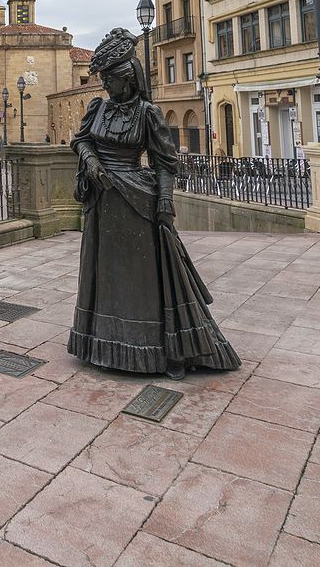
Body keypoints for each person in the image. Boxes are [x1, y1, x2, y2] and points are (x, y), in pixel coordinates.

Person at [68, 28, 240, 378]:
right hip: (103, 203)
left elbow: (165, 162)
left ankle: (144, 344)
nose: (105, 87)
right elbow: (81, 141)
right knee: (105, 274)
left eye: (111, 80)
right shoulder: (98, 107)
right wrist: (92, 162)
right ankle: (101, 342)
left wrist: (164, 203)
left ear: (127, 79)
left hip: (135, 202)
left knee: (138, 277)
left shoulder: (147, 113)